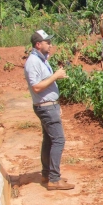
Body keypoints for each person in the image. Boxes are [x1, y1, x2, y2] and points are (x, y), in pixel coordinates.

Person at [24, 30, 74, 191]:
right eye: (47, 42)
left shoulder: (41, 60)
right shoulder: (33, 62)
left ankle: (47, 174)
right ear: (38, 44)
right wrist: (56, 76)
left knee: (49, 140)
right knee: (58, 140)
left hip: (49, 105)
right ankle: (54, 178)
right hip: (45, 107)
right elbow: (37, 87)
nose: (50, 45)